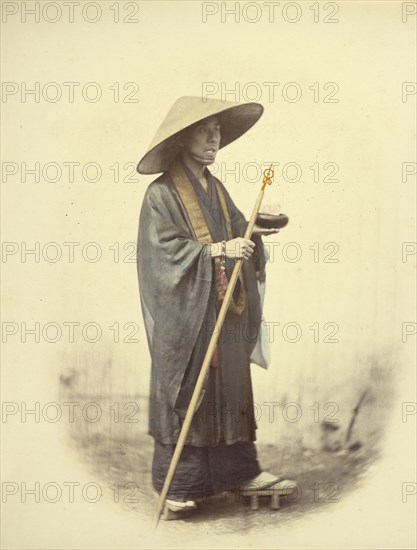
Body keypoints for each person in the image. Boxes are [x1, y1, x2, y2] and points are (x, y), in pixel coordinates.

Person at [136, 96, 293, 518]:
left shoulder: (216, 189)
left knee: (232, 387)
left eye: (217, 130)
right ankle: (180, 485)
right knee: (190, 389)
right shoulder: (162, 195)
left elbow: (237, 231)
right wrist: (218, 250)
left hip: (222, 309)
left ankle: (239, 474)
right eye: (203, 130)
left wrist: (258, 228)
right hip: (187, 313)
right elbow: (162, 254)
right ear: (182, 137)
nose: (213, 138)